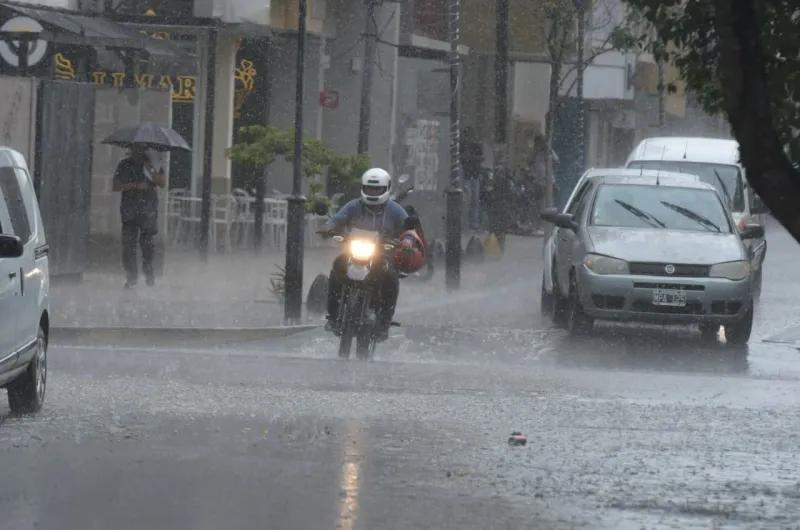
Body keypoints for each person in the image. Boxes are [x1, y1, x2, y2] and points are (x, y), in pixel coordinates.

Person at [321, 168, 413, 341]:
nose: (373, 192)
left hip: (382, 255)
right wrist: (328, 227)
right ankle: (333, 317)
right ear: (363, 187)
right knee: (336, 270)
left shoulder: (395, 209)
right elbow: (336, 219)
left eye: (377, 189)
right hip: (353, 253)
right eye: (370, 188)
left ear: (386, 188)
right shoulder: (353, 205)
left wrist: (408, 239)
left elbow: (409, 228)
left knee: (391, 278)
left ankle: (384, 324)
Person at [112, 145, 166, 288]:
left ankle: (149, 273)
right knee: (128, 246)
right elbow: (115, 186)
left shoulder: (153, 164)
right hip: (129, 211)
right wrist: (134, 185)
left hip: (148, 210)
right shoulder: (124, 165)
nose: (139, 152)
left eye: (142, 149)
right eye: (136, 149)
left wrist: (151, 170)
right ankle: (131, 277)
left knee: (148, 245)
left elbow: (162, 183)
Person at [461, 127, 484, 232]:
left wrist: (471, 157)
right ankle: (466, 223)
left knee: (474, 200)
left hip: (474, 175)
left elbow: (481, 157)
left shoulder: (476, 145)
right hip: (466, 175)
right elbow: (461, 158)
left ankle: (473, 223)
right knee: (467, 199)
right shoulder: (462, 145)